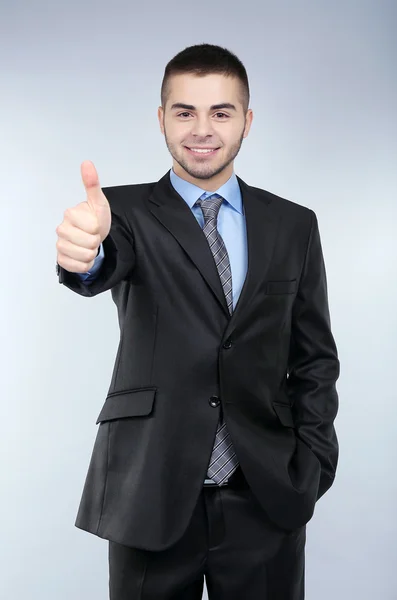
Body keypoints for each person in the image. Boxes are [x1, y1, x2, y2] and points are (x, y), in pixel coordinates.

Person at [55, 43, 339, 600]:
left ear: (246, 121)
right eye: (184, 111)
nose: (202, 129)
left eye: (221, 112)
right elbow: (102, 260)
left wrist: (312, 465)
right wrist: (83, 255)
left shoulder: (293, 225)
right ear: (161, 119)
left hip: (264, 491)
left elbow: (315, 359)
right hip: (151, 490)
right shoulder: (124, 214)